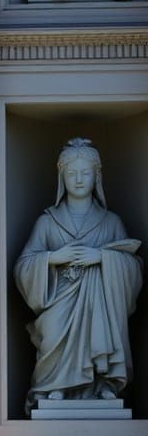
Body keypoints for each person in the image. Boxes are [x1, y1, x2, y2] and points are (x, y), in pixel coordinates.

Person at [14, 138, 142, 412]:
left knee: (100, 318)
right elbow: (23, 266)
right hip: (60, 301)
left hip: (100, 304)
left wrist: (104, 259)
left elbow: (134, 270)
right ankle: (55, 385)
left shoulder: (111, 222)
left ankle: (102, 382)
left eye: (86, 173)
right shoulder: (47, 222)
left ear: (97, 177)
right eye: (72, 174)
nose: (79, 180)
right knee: (53, 330)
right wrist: (51, 258)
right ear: (62, 177)